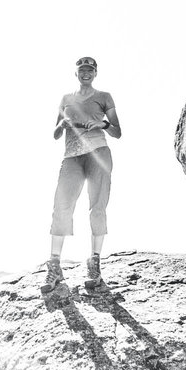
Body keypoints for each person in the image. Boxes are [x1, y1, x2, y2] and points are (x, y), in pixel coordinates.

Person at [42, 56, 122, 294]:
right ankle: (54, 266)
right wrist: (63, 124)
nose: (86, 73)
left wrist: (104, 125)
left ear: (95, 73)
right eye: (82, 70)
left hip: (99, 152)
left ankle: (94, 265)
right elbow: (55, 134)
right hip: (72, 157)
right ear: (75, 73)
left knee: (97, 207)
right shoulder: (66, 99)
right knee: (61, 207)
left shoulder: (104, 97)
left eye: (90, 70)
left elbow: (118, 132)